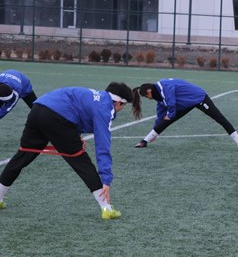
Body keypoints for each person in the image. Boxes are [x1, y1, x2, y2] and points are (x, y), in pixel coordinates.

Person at [0, 83, 138, 219]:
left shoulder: (96, 95)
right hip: (56, 118)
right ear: (118, 102)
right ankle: (106, 208)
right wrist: (106, 179)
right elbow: (103, 145)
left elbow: (74, 108)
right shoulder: (105, 108)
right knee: (82, 162)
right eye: (124, 106)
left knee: (23, 155)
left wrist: (76, 135)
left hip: (37, 109)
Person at [132, 78, 238, 151]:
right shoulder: (159, 98)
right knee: (165, 120)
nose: (148, 98)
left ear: (149, 91)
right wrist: (155, 132)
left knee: (220, 118)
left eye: (147, 96)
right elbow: (160, 117)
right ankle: (145, 141)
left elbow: (171, 101)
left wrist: (170, 115)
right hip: (184, 104)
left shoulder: (163, 86)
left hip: (198, 97)